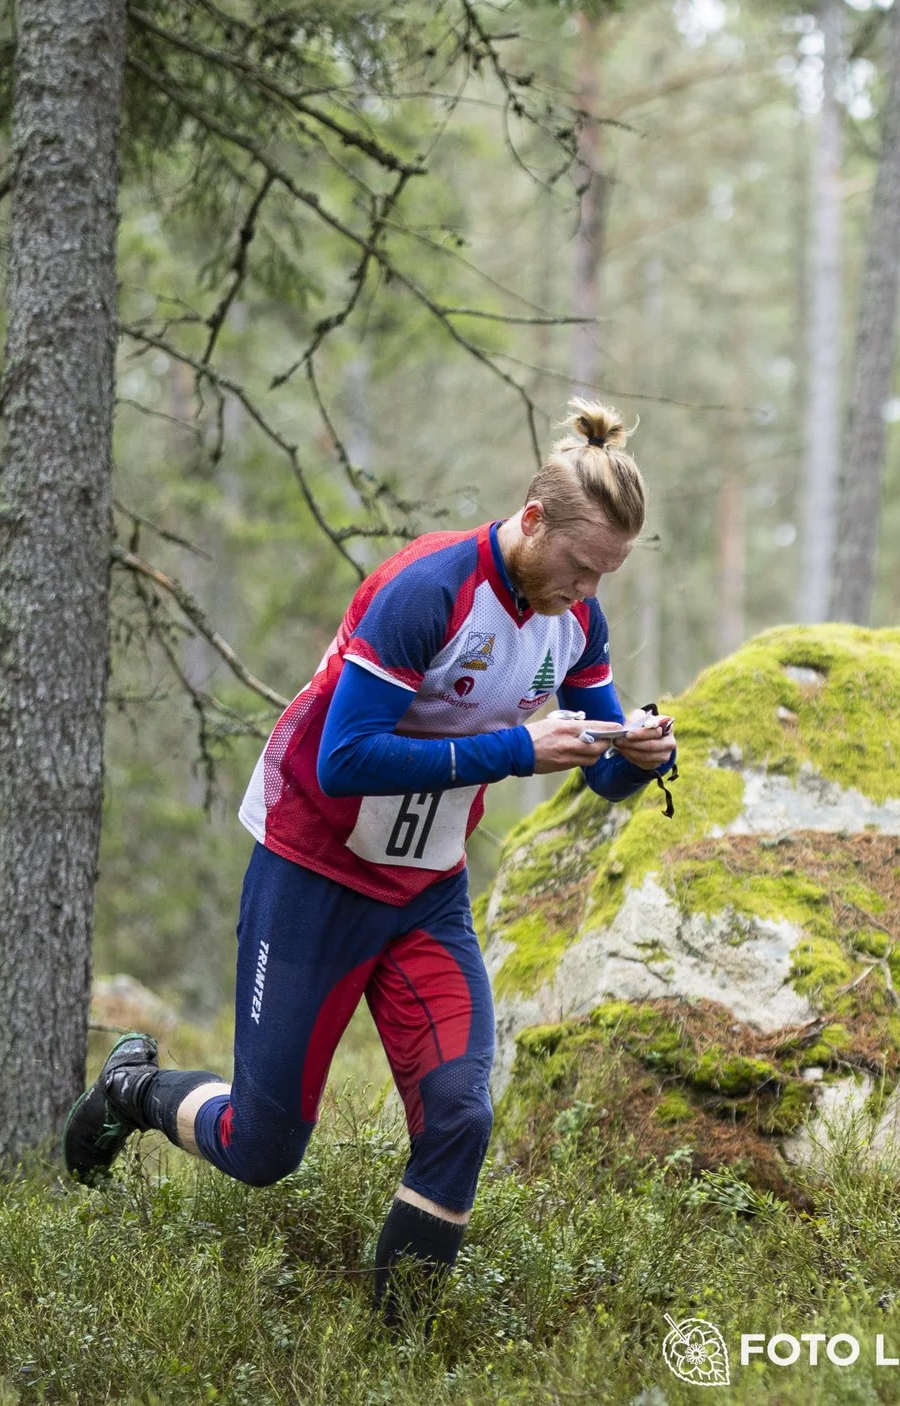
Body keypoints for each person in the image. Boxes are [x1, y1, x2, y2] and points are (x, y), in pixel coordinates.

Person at [61, 400, 677, 1326]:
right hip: (312, 876)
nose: (586, 592)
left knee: (461, 1117)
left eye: (605, 577)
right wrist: (517, 750)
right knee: (265, 1150)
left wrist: (641, 758)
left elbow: (595, 777)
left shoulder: (573, 622)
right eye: (580, 567)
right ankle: (132, 1089)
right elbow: (343, 761)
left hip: (425, 896)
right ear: (534, 518)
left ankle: (398, 1349)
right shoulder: (424, 590)